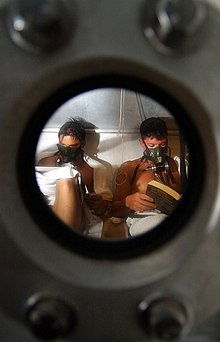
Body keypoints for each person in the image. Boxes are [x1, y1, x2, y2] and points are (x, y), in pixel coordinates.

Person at [36, 118, 112, 236]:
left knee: (67, 178)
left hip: (77, 217)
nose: (67, 150)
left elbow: (104, 208)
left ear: (83, 144)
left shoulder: (95, 168)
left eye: (73, 146)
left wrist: (98, 203)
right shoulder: (44, 160)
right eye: (63, 145)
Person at [111, 117, 181, 236]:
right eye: (151, 145)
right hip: (142, 220)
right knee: (159, 222)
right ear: (141, 143)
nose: (158, 151)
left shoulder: (177, 165)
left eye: (162, 145)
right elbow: (114, 210)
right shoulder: (129, 168)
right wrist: (127, 202)